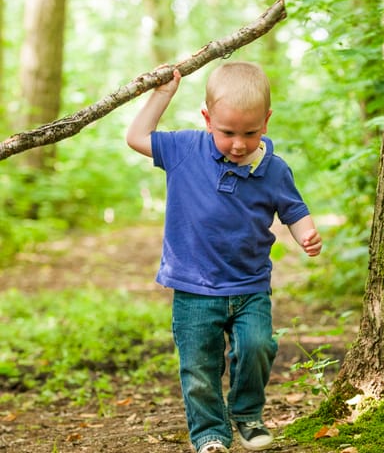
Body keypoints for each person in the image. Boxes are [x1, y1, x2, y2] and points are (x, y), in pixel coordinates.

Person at [125, 61, 322, 453]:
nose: (238, 144)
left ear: (266, 122)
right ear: (207, 119)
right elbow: (136, 136)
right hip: (194, 286)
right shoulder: (184, 149)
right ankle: (210, 433)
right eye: (227, 132)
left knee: (257, 346)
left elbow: (293, 210)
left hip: (249, 285)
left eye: (250, 133)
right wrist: (163, 94)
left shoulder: (273, 169)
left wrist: (306, 234)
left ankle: (247, 415)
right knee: (199, 366)